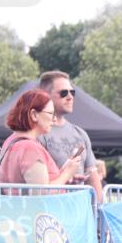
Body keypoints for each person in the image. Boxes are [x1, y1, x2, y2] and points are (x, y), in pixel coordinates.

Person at [37, 71, 104, 201]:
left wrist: (97, 210)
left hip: (78, 210)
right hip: (50, 210)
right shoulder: (37, 133)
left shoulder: (81, 134)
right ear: (45, 95)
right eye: (63, 93)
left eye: (72, 92)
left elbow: (92, 176)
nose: (70, 97)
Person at [0, 89, 82, 185]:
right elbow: (42, 193)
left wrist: (63, 172)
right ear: (34, 115)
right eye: (51, 113)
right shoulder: (30, 148)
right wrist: (67, 173)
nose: (54, 119)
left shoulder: (11, 141)